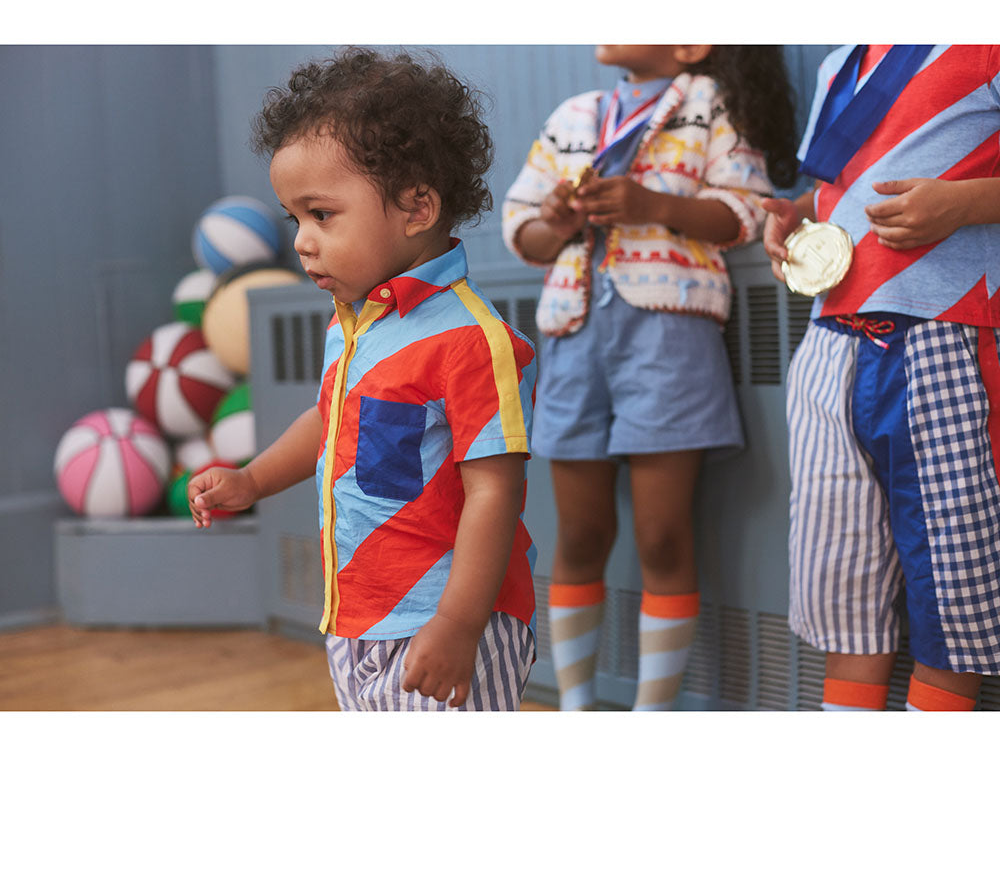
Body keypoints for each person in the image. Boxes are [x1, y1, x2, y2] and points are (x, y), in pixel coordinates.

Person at [188, 47, 538, 711]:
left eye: (321, 215)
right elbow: (330, 421)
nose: (301, 240)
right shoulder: (353, 322)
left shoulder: (472, 341)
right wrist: (253, 480)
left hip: (446, 623)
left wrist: (458, 625)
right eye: (294, 219)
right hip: (355, 617)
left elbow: (495, 492)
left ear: (416, 207)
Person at [502, 45, 798, 710]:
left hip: (671, 340)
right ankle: (577, 706)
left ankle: (653, 714)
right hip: (573, 340)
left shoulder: (711, 103)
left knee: (663, 538)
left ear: (690, 44)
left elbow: (747, 210)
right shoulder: (574, 115)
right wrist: (555, 221)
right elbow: (522, 232)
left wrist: (650, 203)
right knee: (580, 534)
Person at [762, 44, 1000, 711]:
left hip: (945, 335)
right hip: (829, 344)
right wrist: (799, 212)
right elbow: (853, 179)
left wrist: (968, 202)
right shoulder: (841, 59)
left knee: (955, 593)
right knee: (842, 588)